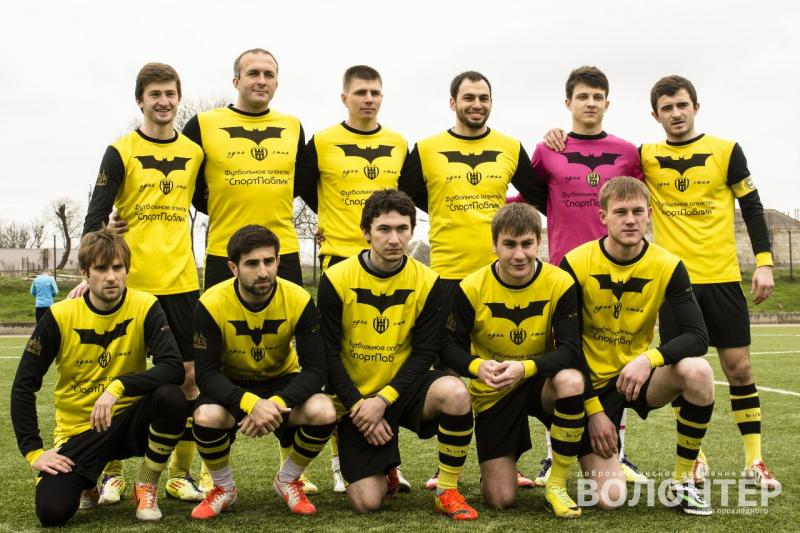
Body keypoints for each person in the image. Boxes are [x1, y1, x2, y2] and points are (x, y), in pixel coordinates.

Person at [398, 70, 546, 489]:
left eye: (483, 97)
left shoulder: (508, 146)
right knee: (450, 372)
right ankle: (447, 466)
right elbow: (405, 196)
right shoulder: (427, 148)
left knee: (503, 370)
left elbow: (538, 193)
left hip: (500, 276)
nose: (477, 104)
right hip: (446, 276)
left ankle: (507, 460)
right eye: (469, 97)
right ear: (453, 103)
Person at [640, 75, 778, 491]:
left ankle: (754, 461)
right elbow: (599, 160)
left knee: (739, 368)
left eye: (682, 105)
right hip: (676, 284)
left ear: (695, 107)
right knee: (683, 371)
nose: (676, 113)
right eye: (667, 108)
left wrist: (764, 261)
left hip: (722, 278)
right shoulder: (646, 156)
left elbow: (752, 206)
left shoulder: (726, 150)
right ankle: (695, 458)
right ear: (655, 115)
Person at [513, 66, 647, 487]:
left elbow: (643, 199)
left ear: (608, 103)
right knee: (563, 361)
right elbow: (531, 195)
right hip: (563, 272)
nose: (590, 103)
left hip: (615, 270)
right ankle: (553, 455)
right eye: (583, 96)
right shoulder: (548, 149)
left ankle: (619, 453)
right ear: (568, 102)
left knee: (615, 357)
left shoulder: (626, 152)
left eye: (597, 96)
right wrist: (487, 207)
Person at [80, 62, 206, 503]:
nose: (164, 101)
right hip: (130, 285)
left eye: (170, 93)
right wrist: (98, 255)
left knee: (189, 379)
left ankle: (179, 475)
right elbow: (94, 219)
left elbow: (221, 199)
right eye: (155, 94)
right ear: (140, 100)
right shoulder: (120, 151)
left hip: (181, 282)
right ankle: (111, 472)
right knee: (117, 374)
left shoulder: (195, 153)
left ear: (179, 98)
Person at [318, 189, 478, 520]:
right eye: (384, 229)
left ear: (412, 231)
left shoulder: (429, 281)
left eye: (402, 229)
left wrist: (384, 400)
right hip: (357, 399)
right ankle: (386, 466)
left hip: (403, 391)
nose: (394, 239)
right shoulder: (335, 278)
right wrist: (359, 405)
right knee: (366, 502)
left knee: (455, 391)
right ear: (366, 232)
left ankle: (447, 490)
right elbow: (328, 355)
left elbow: (425, 352)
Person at [11, 229, 187, 525]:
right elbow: (23, 386)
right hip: (81, 431)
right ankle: (88, 482)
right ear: (85, 273)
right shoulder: (60, 316)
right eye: (101, 268)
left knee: (171, 397)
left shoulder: (146, 305)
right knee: (52, 512)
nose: (111, 277)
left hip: (129, 420)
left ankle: (146, 483)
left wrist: (119, 386)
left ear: (127, 270)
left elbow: (173, 367)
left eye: (118, 268)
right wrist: (33, 451)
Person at [562, 177, 713, 515]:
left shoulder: (668, 265)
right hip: (590, 385)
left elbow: (697, 335)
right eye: (620, 212)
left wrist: (649, 359)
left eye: (637, 211)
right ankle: (571, 457)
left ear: (649, 214)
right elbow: (566, 345)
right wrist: (594, 410)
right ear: (603, 217)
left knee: (698, 371)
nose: (630, 220)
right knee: (610, 499)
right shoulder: (576, 263)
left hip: (636, 377)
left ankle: (682, 481)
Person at [295, 64, 410, 492]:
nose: (369, 99)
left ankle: (388, 461)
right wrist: (329, 216)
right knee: (341, 361)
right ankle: (341, 461)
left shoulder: (398, 143)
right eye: (360, 92)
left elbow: (406, 197)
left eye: (375, 92)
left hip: (388, 264)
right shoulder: (322, 141)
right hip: (339, 259)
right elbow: (302, 185)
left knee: (387, 358)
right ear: (344, 97)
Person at [440, 203, 586, 518]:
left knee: (572, 380)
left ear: (538, 242)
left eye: (527, 244)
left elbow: (571, 349)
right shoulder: (471, 287)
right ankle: (499, 465)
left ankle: (556, 483)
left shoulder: (560, 282)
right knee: (501, 499)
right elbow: (449, 347)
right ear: (495, 245)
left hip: (538, 381)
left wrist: (526, 368)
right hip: (494, 389)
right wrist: (477, 367)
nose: (519, 254)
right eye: (509, 244)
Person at [190, 225, 335, 519]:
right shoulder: (211, 303)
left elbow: (316, 369)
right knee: (205, 415)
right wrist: (250, 403)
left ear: (278, 261)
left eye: (269, 261)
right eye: (252, 263)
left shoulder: (298, 299)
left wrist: (276, 403)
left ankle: (288, 480)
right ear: (233, 268)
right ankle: (224, 488)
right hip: (233, 385)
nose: (263, 271)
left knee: (324, 410)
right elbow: (205, 373)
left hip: (282, 382)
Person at [185, 48, 310, 290]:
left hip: (282, 252)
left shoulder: (292, 126)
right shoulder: (203, 124)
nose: (262, 81)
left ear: (276, 83)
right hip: (225, 251)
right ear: (236, 81)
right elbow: (185, 183)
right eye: (253, 73)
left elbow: (301, 184)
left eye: (269, 75)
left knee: (289, 316)